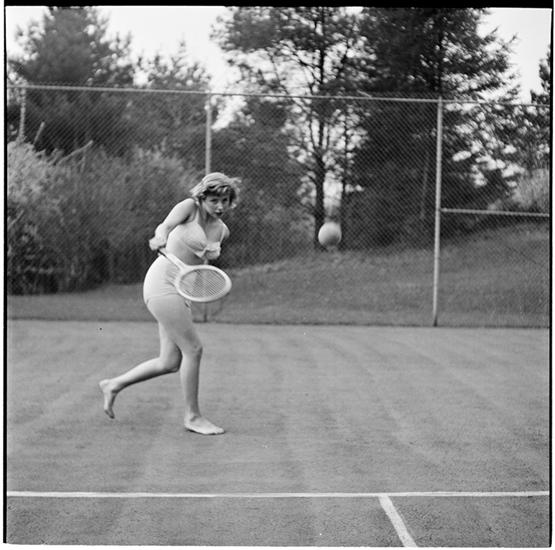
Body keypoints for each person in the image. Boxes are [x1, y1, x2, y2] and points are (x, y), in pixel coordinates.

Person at [99, 172, 239, 435]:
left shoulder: (222, 230)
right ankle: (193, 417)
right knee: (193, 349)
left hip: (182, 289)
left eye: (225, 200)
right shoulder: (189, 208)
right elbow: (164, 227)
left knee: (169, 362)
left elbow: (200, 261)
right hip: (162, 283)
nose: (220, 206)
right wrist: (160, 236)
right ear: (202, 198)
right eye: (214, 200)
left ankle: (113, 385)